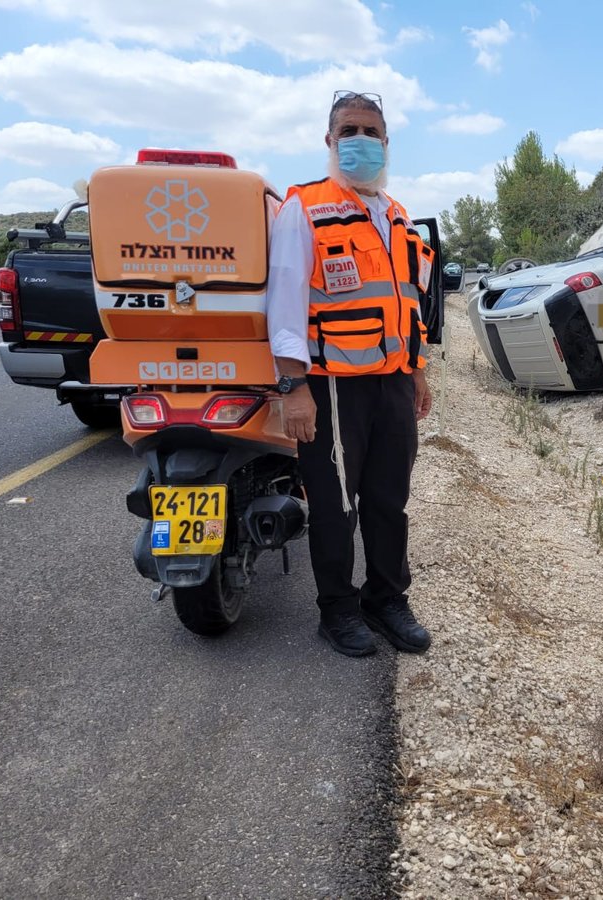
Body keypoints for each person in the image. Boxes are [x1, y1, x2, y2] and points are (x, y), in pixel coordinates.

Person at [266, 90, 434, 658]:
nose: (360, 141)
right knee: (337, 508)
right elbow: (284, 309)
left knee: (389, 499)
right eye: (349, 131)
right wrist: (293, 388)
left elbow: (407, 303)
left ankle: (386, 600)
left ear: (386, 143)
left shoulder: (396, 216)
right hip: (332, 385)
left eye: (371, 132)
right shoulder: (304, 209)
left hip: (392, 383)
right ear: (330, 142)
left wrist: (417, 372)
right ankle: (336, 610)